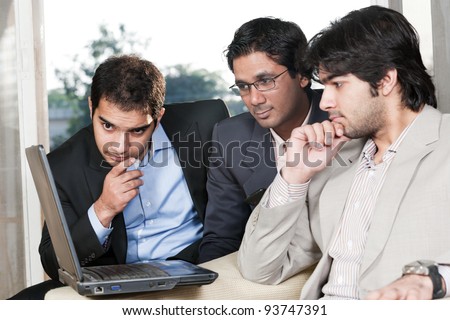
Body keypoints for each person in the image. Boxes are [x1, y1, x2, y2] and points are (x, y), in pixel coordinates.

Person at [238, 6, 450, 300]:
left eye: (337, 84)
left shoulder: (445, 145)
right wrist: (294, 177)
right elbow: (258, 268)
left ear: (386, 80)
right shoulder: (335, 161)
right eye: (324, 85)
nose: (324, 102)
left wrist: (436, 281)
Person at [10, 54, 228, 299]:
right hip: (119, 278)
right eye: (108, 126)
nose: (120, 146)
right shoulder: (62, 165)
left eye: (137, 130)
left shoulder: (206, 122)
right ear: (92, 107)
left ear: (158, 119)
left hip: (197, 264)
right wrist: (103, 209)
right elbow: (53, 262)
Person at [198, 17, 328, 263]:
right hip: (268, 268)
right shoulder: (228, 138)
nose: (254, 99)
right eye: (244, 87)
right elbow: (222, 239)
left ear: (302, 75)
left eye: (265, 81)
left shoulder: (344, 116)